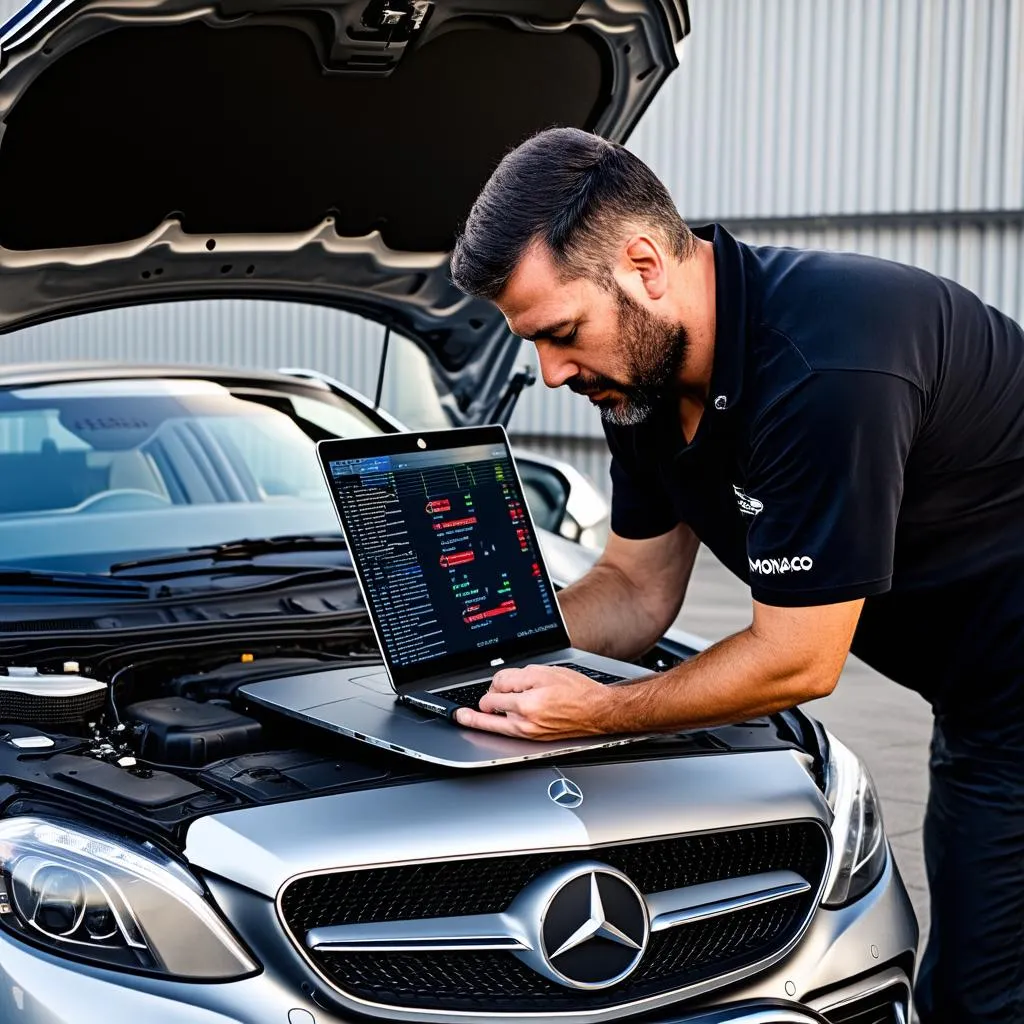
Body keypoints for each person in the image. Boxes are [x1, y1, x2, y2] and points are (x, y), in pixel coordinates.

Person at [448, 127, 1024, 1024]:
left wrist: (598, 710)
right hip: (982, 694)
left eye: (561, 334)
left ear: (643, 264)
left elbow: (799, 659)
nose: (552, 372)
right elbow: (634, 593)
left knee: (983, 996)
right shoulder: (640, 381)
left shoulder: (828, 362)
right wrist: (477, 644)